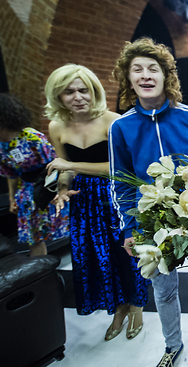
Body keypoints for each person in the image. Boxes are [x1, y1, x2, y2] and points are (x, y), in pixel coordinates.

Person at [108, 37, 188, 367]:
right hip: (151, 221)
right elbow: (120, 182)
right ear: (129, 79)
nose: (145, 75)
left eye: (153, 69)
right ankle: (172, 345)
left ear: (166, 76)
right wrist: (129, 229)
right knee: (163, 290)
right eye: (137, 70)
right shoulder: (120, 127)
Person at [44, 64, 149, 341]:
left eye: (84, 90)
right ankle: (118, 307)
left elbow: (122, 169)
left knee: (127, 252)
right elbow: (64, 170)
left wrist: (70, 166)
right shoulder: (56, 126)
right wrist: (63, 189)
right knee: (97, 256)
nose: (78, 97)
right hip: (83, 201)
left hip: (116, 195)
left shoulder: (113, 121)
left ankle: (137, 306)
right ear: (58, 95)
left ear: (94, 91)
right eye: (69, 92)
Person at [0, 92, 69, 256]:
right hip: (26, 190)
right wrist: (12, 198)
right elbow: (10, 172)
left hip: (49, 184)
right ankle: (40, 270)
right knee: (33, 238)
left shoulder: (31, 138)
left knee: (66, 228)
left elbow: (56, 164)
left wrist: (54, 191)